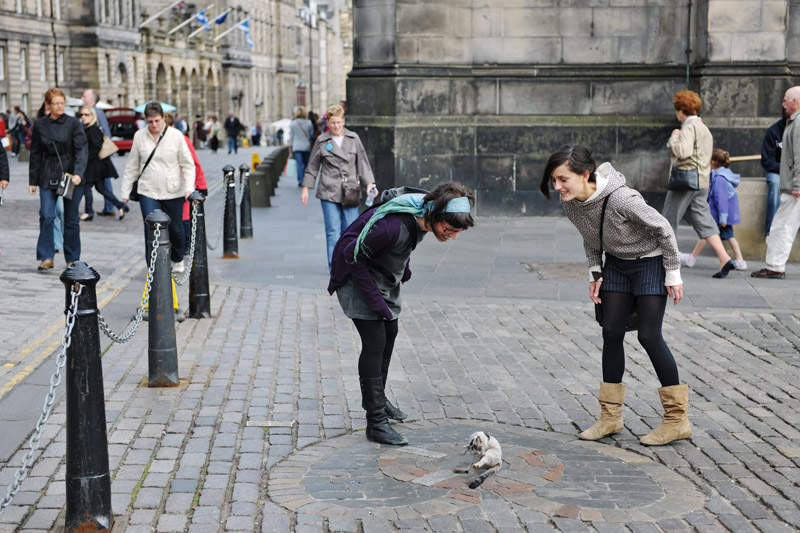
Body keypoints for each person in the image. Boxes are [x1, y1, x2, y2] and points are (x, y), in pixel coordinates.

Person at [540, 144, 691, 446]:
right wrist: (595, 271)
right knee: (611, 331)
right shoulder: (572, 203)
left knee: (649, 335)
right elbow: (590, 238)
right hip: (617, 267)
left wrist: (673, 273)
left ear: (585, 175)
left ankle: (677, 420)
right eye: (553, 180)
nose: (557, 187)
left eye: (563, 179)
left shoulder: (623, 199)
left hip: (650, 262)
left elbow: (664, 228)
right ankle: (610, 417)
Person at [328, 182, 475, 445]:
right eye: (450, 229)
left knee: (390, 332)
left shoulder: (423, 216)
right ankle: (375, 423)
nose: (452, 236)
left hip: (381, 276)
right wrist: (377, 304)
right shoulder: (392, 227)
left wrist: (404, 270)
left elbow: (405, 246)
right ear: (434, 214)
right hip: (356, 278)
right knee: (375, 342)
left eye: (457, 231)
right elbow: (353, 255)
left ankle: (379, 400)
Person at [662, 90, 736, 278]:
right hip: (702, 181)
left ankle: (665, 261)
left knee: (668, 219)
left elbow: (683, 151)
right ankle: (724, 258)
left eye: (677, 110)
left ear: (681, 110)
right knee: (704, 221)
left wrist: (674, 137)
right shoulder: (704, 128)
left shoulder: (688, 128)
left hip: (685, 181)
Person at [120, 101, 195, 273]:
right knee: (150, 228)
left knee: (175, 228)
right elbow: (132, 165)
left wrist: (189, 187)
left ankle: (177, 258)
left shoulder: (176, 136)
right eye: (150, 121)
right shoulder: (139, 136)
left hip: (173, 190)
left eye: (157, 121)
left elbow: (188, 164)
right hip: (148, 190)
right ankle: (153, 265)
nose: (154, 125)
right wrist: (125, 191)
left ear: (163, 118)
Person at [301, 104, 377, 269]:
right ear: (328, 122)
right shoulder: (322, 141)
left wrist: (370, 184)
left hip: (350, 190)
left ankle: (350, 263)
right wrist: (306, 187)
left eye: (339, 122)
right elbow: (313, 166)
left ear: (343, 121)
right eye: (333, 122)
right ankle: (335, 266)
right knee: (333, 231)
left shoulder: (353, 138)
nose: (336, 126)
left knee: (350, 230)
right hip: (329, 190)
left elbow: (362, 162)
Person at [28, 88, 87, 271]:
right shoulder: (40, 124)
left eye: (62, 103)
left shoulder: (73, 123)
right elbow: (36, 153)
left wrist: (78, 173)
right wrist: (33, 180)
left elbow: (81, 150)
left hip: (69, 174)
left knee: (70, 219)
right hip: (48, 173)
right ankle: (46, 256)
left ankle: (72, 258)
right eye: (56, 103)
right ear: (48, 105)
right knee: (46, 215)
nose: (60, 106)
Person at [752, 86, 800, 279]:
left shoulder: (797, 124)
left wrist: (797, 185)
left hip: (793, 188)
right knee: (782, 226)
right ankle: (774, 265)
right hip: (792, 185)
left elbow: (799, 156)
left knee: (783, 227)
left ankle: (775, 266)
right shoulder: (794, 123)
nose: (783, 104)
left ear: (795, 102)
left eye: (785, 100)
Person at [683, 149, 746, 270]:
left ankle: (692, 257)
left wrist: (723, 219)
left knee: (707, 234)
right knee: (722, 235)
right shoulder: (722, 176)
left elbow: (721, 200)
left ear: (712, 163)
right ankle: (739, 259)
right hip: (720, 216)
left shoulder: (719, 179)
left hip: (720, 216)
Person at [164, 113, 208, 242]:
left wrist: (201, 185)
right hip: (164, 187)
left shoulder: (182, 139)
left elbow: (194, 163)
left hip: (181, 185)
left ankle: (185, 244)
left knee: (182, 218)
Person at [78, 106, 127, 220]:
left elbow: (96, 147)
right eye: (81, 115)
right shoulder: (87, 128)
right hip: (96, 164)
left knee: (86, 186)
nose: (83, 117)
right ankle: (120, 205)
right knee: (101, 188)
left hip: (95, 164)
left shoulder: (93, 129)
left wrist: (85, 159)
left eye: (86, 114)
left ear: (92, 116)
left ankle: (89, 212)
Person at [81, 89, 116, 219]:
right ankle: (110, 206)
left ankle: (110, 207)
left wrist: (101, 151)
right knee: (102, 182)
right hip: (95, 153)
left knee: (103, 181)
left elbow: (106, 133)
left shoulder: (96, 112)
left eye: (84, 96)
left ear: (91, 100)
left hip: (98, 154)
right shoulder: (89, 112)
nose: (82, 98)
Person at [761, 109, 787, 236]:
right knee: (775, 185)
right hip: (776, 171)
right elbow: (766, 161)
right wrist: (785, 168)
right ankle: (770, 231)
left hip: (795, 172)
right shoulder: (774, 131)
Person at [289, 107, 314, 187]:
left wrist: (290, 148)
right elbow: (311, 134)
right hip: (306, 146)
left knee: (299, 164)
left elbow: (291, 137)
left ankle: (300, 180)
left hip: (296, 147)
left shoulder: (293, 123)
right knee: (306, 164)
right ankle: (306, 180)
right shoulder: (309, 122)